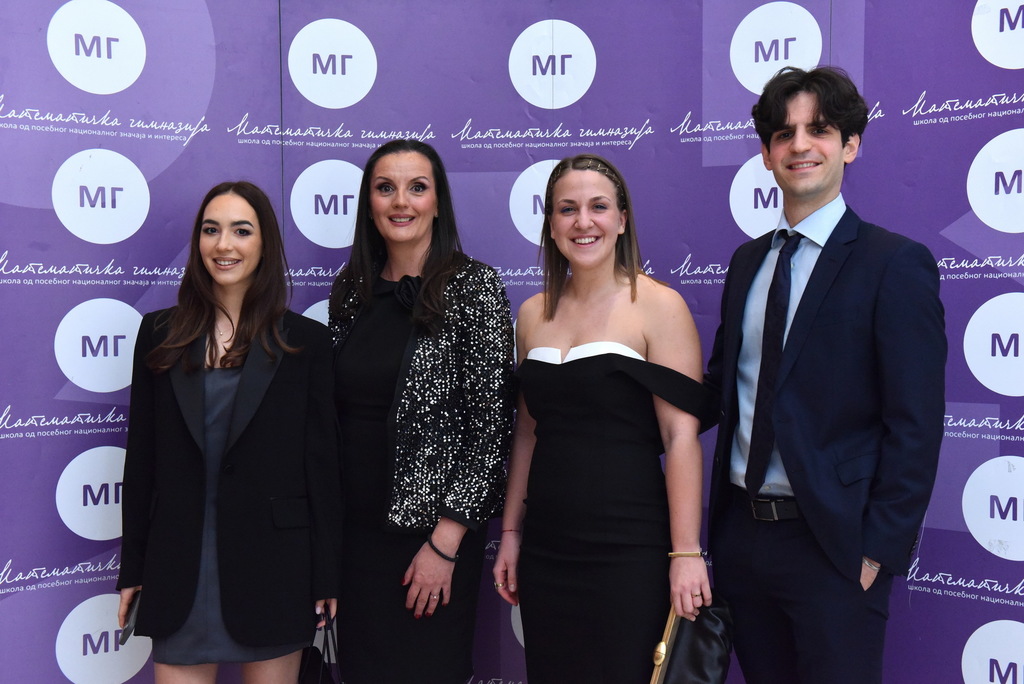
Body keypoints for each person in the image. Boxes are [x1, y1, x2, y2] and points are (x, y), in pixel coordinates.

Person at [704, 66, 946, 684]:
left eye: (820, 130)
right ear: (766, 155)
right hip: (742, 539)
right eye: (783, 134)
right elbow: (721, 389)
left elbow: (915, 425)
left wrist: (876, 551)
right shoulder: (747, 262)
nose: (800, 145)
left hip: (836, 548)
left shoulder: (894, 264)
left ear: (850, 145)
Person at [492, 154, 715, 684]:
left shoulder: (659, 305)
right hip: (546, 547)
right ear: (551, 224)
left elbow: (680, 436)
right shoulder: (531, 314)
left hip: (630, 548)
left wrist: (686, 552)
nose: (583, 221)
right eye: (567, 209)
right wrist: (511, 533)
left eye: (598, 207)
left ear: (622, 219)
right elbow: (527, 433)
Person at [116, 181, 342, 683]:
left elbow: (322, 467)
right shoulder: (158, 333)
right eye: (211, 230)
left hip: (275, 569)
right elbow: (142, 459)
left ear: (264, 243)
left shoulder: (306, 342)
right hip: (180, 569)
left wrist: (327, 575)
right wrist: (133, 568)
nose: (224, 245)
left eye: (241, 231)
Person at [328, 139, 515, 684]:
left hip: (430, 538)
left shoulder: (474, 288)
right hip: (353, 538)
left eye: (417, 187)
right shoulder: (351, 292)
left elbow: (491, 429)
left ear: (438, 203)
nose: (400, 202)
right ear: (369, 205)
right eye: (385, 188)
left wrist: (445, 542)